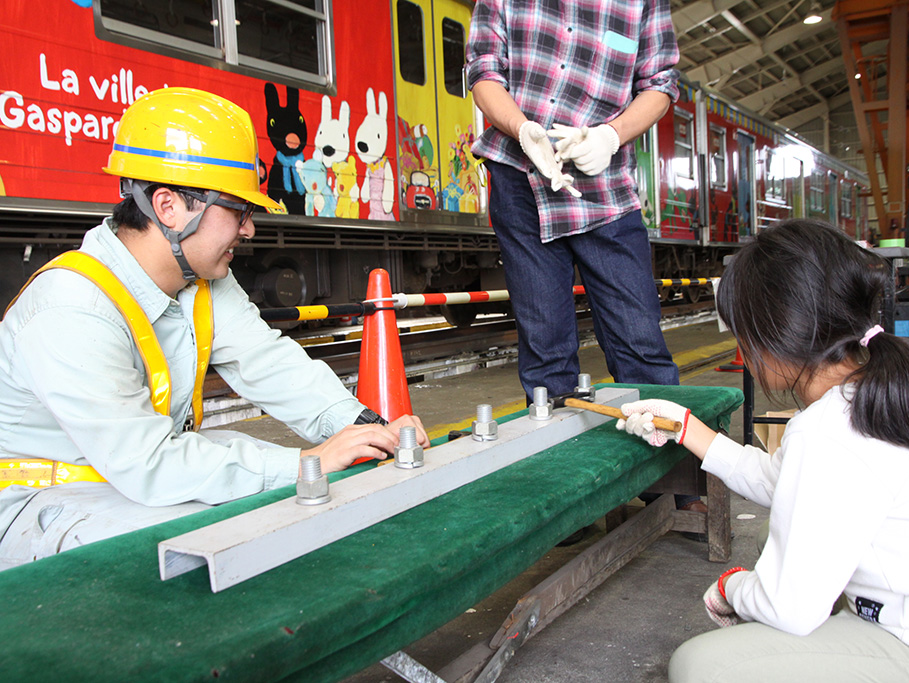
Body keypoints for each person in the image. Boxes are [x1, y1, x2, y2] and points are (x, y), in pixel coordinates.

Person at [0, 87, 428, 570]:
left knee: (270, 496)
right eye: (238, 211)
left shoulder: (202, 284)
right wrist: (309, 464)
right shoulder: (71, 307)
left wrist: (366, 428)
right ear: (168, 208)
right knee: (212, 545)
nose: (248, 230)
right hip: (42, 505)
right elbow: (150, 464)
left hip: (129, 479)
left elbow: (272, 365)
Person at [617, 220, 909, 682]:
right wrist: (685, 428)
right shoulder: (870, 392)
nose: (742, 350)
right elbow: (780, 479)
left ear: (772, 336)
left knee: (703, 666)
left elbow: (789, 607)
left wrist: (733, 587)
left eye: (743, 334)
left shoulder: (828, 432)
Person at [465, 0, 682, 403]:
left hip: (607, 190)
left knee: (640, 342)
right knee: (545, 351)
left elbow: (661, 83)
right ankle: (562, 451)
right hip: (521, 179)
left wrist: (611, 136)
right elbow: (484, 70)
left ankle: (665, 451)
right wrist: (522, 129)